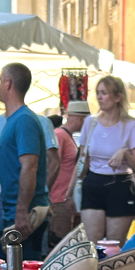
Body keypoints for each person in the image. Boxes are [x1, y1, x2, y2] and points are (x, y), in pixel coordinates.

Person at [77, 75, 135, 245]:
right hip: (93, 182)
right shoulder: (90, 122)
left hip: (120, 185)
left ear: (118, 97)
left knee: (114, 246)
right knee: (92, 245)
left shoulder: (131, 126)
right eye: (98, 93)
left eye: (104, 93)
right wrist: (71, 189)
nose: (100, 97)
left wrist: (125, 154)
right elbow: (81, 160)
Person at [0, 62, 50, 258]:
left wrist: (22, 211)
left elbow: (30, 166)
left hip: (21, 218)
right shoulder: (14, 120)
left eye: (0, 81)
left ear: (8, 83)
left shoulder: (24, 120)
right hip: (9, 214)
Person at [0, 92, 60, 193]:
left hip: (34, 198)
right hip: (0, 199)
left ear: (9, 85)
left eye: (1, 80)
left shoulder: (42, 121)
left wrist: (43, 191)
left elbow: (54, 161)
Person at [48, 100, 88, 249]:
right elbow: (52, 164)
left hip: (64, 199)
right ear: (80, 119)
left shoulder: (66, 136)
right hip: (58, 199)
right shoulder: (60, 135)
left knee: (62, 244)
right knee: (58, 246)